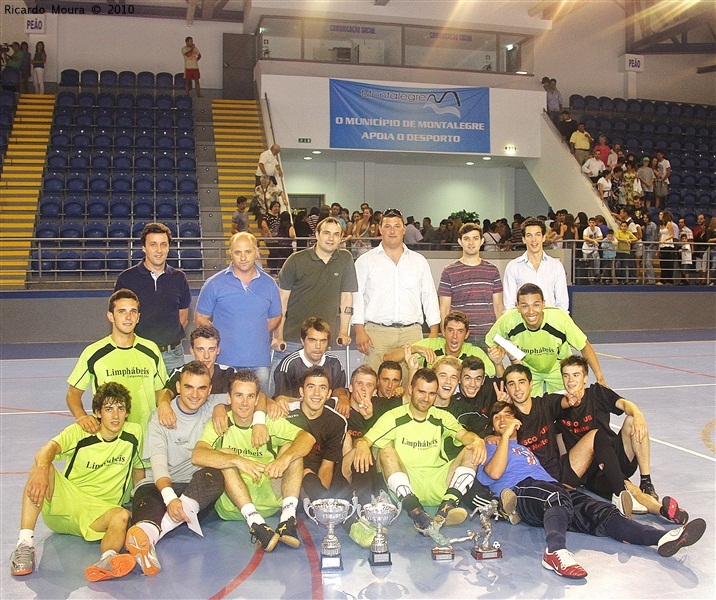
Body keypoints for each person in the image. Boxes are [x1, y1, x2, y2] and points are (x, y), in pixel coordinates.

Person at [477, 402, 706, 580]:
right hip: (522, 491)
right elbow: (494, 474)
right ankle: (555, 552)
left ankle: (662, 537)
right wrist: (504, 437)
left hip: (552, 488)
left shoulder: (526, 450)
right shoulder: (487, 446)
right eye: (497, 418)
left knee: (604, 513)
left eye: (507, 415)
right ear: (493, 427)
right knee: (553, 497)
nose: (503, 419)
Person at [11, 383, 144, 581]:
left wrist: (139, 503)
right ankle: (24, 544)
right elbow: (48, 449)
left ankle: (107, 560)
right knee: (42, 464)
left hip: (99, 513)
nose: (115, 415)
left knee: (122, 515)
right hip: (65, 505)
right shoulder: (82, 431)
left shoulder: (135, 434)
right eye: (109, 409)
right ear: (98, 412)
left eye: (120, 408)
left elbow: (137, 469)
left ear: (127, 412)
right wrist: (40, 471)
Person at [192, 370, 317, 551]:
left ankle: (287, 520)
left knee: (292, 450)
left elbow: (308, 438)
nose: (244, 403)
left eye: (250, 396)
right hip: (234, 508)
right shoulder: (220, 422)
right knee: (225, 455)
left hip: (270, 501)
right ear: (228, 398)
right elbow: (197, 455)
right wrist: (237, 460)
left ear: (258, 400)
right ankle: (256, 524)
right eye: (239, 396)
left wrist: (283, 460)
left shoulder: (268, 421)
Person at [352, 368, 487, 534]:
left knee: (472, 448)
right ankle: (415, 511)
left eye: (431, 394)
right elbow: (366, 440)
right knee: (385, 449)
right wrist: (362, 444)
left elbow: (465, 435)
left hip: (439, 482)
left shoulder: (441, 417)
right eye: (421, 392)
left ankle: (446, 508)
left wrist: (477, 440)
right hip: (408, 483)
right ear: (410, 390)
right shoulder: (394, 417)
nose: (426, 399)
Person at [558, 356, 689, 522]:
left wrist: (638, 413)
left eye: (576, 375)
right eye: (566, 375)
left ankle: (646, 481)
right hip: (594, 472)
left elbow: (625, 404)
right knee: (630, 488)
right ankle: (664, 511)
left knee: (633, 421)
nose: (570, 380)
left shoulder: (597, 393)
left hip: (616, 456)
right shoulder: (559, 405)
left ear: (585, 377)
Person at [125, 362, 226, 576]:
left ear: (210, 390)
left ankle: (150, 537)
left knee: (216, 474)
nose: (195, 395)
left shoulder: (212, 405)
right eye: (189, 387)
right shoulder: (161, 416)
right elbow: (158, 464)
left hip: (194, 487)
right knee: (147, 499)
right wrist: (170, 498)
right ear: (178, 387)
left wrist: (221, 408)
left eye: (201, 388)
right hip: (159, 485)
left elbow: (256, 397)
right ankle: (145, 541)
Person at [66, 289, 167, 434]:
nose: (128, 317)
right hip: (111, 438)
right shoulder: (93, 353)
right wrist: (81, 416)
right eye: (121, 311)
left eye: (133, 312)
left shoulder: (151, 350)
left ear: (138, 317)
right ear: (111, 316)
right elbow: (73, 393)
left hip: (147, 434)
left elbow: (161, 390)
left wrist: (164, 406)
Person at [353, 208, 440, 373]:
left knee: (413, 387)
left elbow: (429, 297)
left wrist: (434, 333)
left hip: (412, 333)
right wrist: (359, 330)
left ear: (404, 229)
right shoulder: (365, 261)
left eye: (397, 226)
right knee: (376, 387)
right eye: (387, 226)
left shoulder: (419, 261)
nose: (392, 231)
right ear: (380, 229)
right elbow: (356, 298)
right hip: (376, 335)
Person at [195, 232, 282, 392]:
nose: (243, 257)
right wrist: (218, 337)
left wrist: (256, 330)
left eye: (248, 252)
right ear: (230, 253)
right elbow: (200, 318)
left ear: (256, 252)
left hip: (259, 362)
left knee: (259, 411)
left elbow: (276, 316)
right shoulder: (214, 283)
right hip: (224, 363)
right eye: (238, 252)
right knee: (224, 411)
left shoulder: (269, 284)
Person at [271, 216, 357, 379]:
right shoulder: (295, 261)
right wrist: (278, 335)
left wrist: (343, 331)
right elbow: (282, 301)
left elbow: (346, 297)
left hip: (322, 341)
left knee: (318, 391)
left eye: (336, 234)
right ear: (316, 235)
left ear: (341, 238)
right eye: (326, 233)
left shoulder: (345, 259)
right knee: (281, 389)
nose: (331, 238)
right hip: (292, 339)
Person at [486, 283, 606, 393]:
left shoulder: (560, 319)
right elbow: (489, 341)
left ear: (544, 304)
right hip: (529, 368)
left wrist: (599, 377)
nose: (531, 311)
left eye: (536, 305)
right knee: (526, 410)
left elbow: (584, 345)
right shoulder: (508, 320)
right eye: (525, 306)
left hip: (558, 366)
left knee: (570, 406)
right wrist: (498, 361)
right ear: (517, 307)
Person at [115, 222, 191, 373]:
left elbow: (183, 317)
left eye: (163, 244)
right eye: (153, 244)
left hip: (173, 356)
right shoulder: (126, 279)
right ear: (144, 247)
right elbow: (120, 318)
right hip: (137, 354)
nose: (159, 250)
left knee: (172, 396)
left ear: (169, 247)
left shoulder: (179, 278)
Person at [282, 367, 349, 499]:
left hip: (318, 478)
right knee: (304, 471)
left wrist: (318, 499)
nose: (317, 393)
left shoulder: (337, 422)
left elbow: (327, 467)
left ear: (329, 393)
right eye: (311, 387)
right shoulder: (286, 413)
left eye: (322, 388)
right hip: (289, 476)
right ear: (301, 391)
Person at [438, 223, 504, 350]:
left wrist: (500, 335)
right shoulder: (449, 271)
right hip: (460, 336)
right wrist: (447, 334)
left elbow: (498, 306)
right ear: (460, 242)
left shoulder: (492, 270)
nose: (471, 242)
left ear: (482, 241)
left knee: (489, 370)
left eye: (475, 238)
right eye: (466, 238)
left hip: (488, 335)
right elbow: (444, 307)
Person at [383, 310, 499, 376]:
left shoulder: (475, 353)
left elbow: (491, 374)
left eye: (460, 331)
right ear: (443, 332)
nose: (454, 336)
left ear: (467, 334)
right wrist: (415, 349)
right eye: (450, 330)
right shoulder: (430, 345)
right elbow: (388, 358)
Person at [159, 326, 236, 414]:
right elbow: (165, 393)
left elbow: (243, 403)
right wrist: (164, 404)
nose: (206, 356)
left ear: (218, 350)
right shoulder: (181, 373)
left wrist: (222, 408)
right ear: (192, 351)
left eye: (211, 349)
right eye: (200, 349)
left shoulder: (230, 374)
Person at [273, 317, 348, 405]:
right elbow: (281, 400)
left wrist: (343, 397)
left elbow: (338, 391)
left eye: (323, 341)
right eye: (312, 340)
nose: (318, 346)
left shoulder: (335, 364)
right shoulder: (289, 365)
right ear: (303, 341)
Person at [502, 217, 569, 313]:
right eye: (529, 235)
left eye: (537, 235)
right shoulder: (513, 267)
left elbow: (562, 304)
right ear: (524, 239)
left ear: (544, 237)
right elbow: (509, 306)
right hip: (522, 324)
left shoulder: (556, 266)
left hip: (550, 324)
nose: (533, 240)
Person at [581, 217, 603, 284]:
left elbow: (601, 237)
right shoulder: (586, 230)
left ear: (595, 223)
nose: (592, 224)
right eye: (590, 222)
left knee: (597, 259)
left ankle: (597, 275)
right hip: (586, 249)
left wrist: (595, 240)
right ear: (588, 223)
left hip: (594, 248)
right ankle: (587, 278)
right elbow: (584, 237)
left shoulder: (598, 229)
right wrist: (594, 240)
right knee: (586, 263)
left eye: (593, 222)